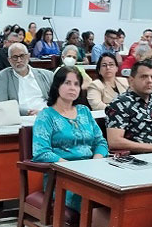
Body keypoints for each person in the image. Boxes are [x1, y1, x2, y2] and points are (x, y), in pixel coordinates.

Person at [32, 66, 108, 210]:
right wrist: (73, 169)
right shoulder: (46, 116)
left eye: (76, 84)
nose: (72, 88)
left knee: (116, 193)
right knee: (94, 196)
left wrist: (96, 161)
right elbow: (41, 152)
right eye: (67, 83)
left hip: (91, 173)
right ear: (57, 86)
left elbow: (100, 142)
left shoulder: (84, 111)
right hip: (63, 177)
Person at [0, 43, 54, 116]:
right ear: (9, 60)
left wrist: (44, 112)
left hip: (46, 115)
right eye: (15, 57)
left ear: (28, 56)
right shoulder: (3, 76)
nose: (19, 60)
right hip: (20, 118)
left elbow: (58, 101)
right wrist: (27, 112)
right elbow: (1, 105)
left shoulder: (47, 75)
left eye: (22, 56)